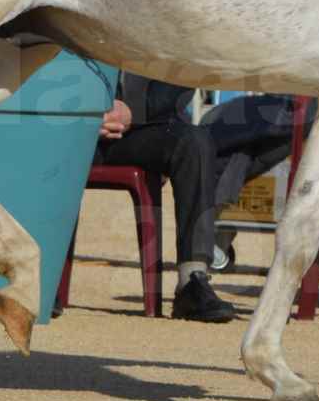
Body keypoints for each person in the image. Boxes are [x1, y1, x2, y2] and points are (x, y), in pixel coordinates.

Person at [97, 73, 237, 321]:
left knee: (196, 142)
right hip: (61, 125)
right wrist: (81, 112)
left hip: (139, 128)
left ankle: (192, 281)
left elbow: (181, 67)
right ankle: (40, 279)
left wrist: (133, 111)